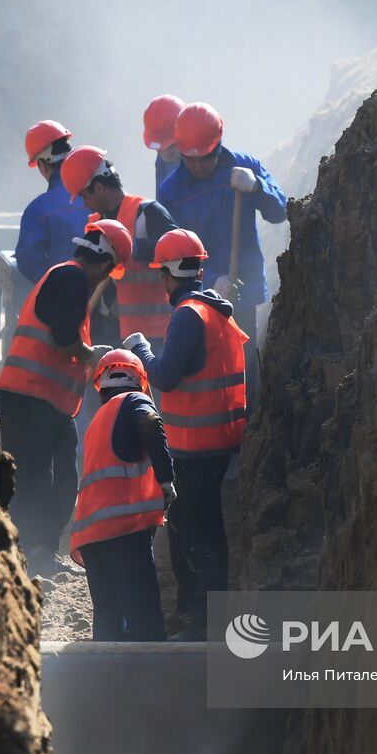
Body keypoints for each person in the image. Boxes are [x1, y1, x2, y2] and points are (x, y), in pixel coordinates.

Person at [124, 229, 248, 640]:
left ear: (166, 276)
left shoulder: (187, 315)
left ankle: (203, 620)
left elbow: (164, 377)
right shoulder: (214, 310)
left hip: (195, 445)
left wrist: (141, 348)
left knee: (192, 530)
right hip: (217, 440)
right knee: (203, 526)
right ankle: (198, 612)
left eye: (161, 273)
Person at [0, 219, 133, 575]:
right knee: (34, 480)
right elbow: (63, 338)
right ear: (106, 264)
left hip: (48, 403)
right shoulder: (71, 279)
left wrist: (88, 354)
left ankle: (40, 551)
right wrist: (93, 356)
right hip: (30, 398)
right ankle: (26, 556)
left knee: (62, 480)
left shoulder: (66, 279)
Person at [154, 102, 287, 343]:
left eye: (204, 159)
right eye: (190, 160)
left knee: (245, 366)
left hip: (243, 291)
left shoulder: (246, 167)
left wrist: (258, 187)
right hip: (196, 300)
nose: (197, 167)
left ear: (217, 145)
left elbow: (280, 212)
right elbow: (171, 255)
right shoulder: (171, 191)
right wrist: (211, 280)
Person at [70, 349, 176, 642]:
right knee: (145, 620)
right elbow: (151, 424)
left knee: (108, 620)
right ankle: (151, 681)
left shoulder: (98, 421)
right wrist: (166, 481)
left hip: (91, 534)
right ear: (139, 380)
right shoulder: (134, 400)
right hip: (124, 529)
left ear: (101, 386)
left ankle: (106, 682)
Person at [61, 145, 178, 347]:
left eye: (84, 195)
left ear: (98, 187)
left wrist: (136, 249)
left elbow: (180, 252)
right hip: (111, 332)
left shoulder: (146, 212)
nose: (84, 204)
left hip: (153, 335)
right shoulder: (96, 225)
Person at [14, 120, 87, 284]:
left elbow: (28, 262)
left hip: (62, 300)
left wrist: (55, 287)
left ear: (42, 165)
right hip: (105, 301)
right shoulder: (98, 194)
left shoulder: (38, 210)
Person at [142, 94, 186, 190]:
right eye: (158, 149)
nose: (162, 153)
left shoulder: (207, 159)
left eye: (169, 147)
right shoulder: (163, 161)